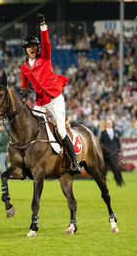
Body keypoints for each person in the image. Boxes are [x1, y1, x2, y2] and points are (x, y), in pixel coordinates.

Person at [20, 12, 81, 174]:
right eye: (28, 47)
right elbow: (24, 83)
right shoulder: (24, 67)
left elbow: (46, 41)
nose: (31, 49)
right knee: (30, 126)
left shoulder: (45, 56)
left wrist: (43, 25)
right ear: (25, 50)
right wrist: (24, 90)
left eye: (33, 46)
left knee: (61, 130)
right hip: (40, 102)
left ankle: (74, 161)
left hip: (54, 99)